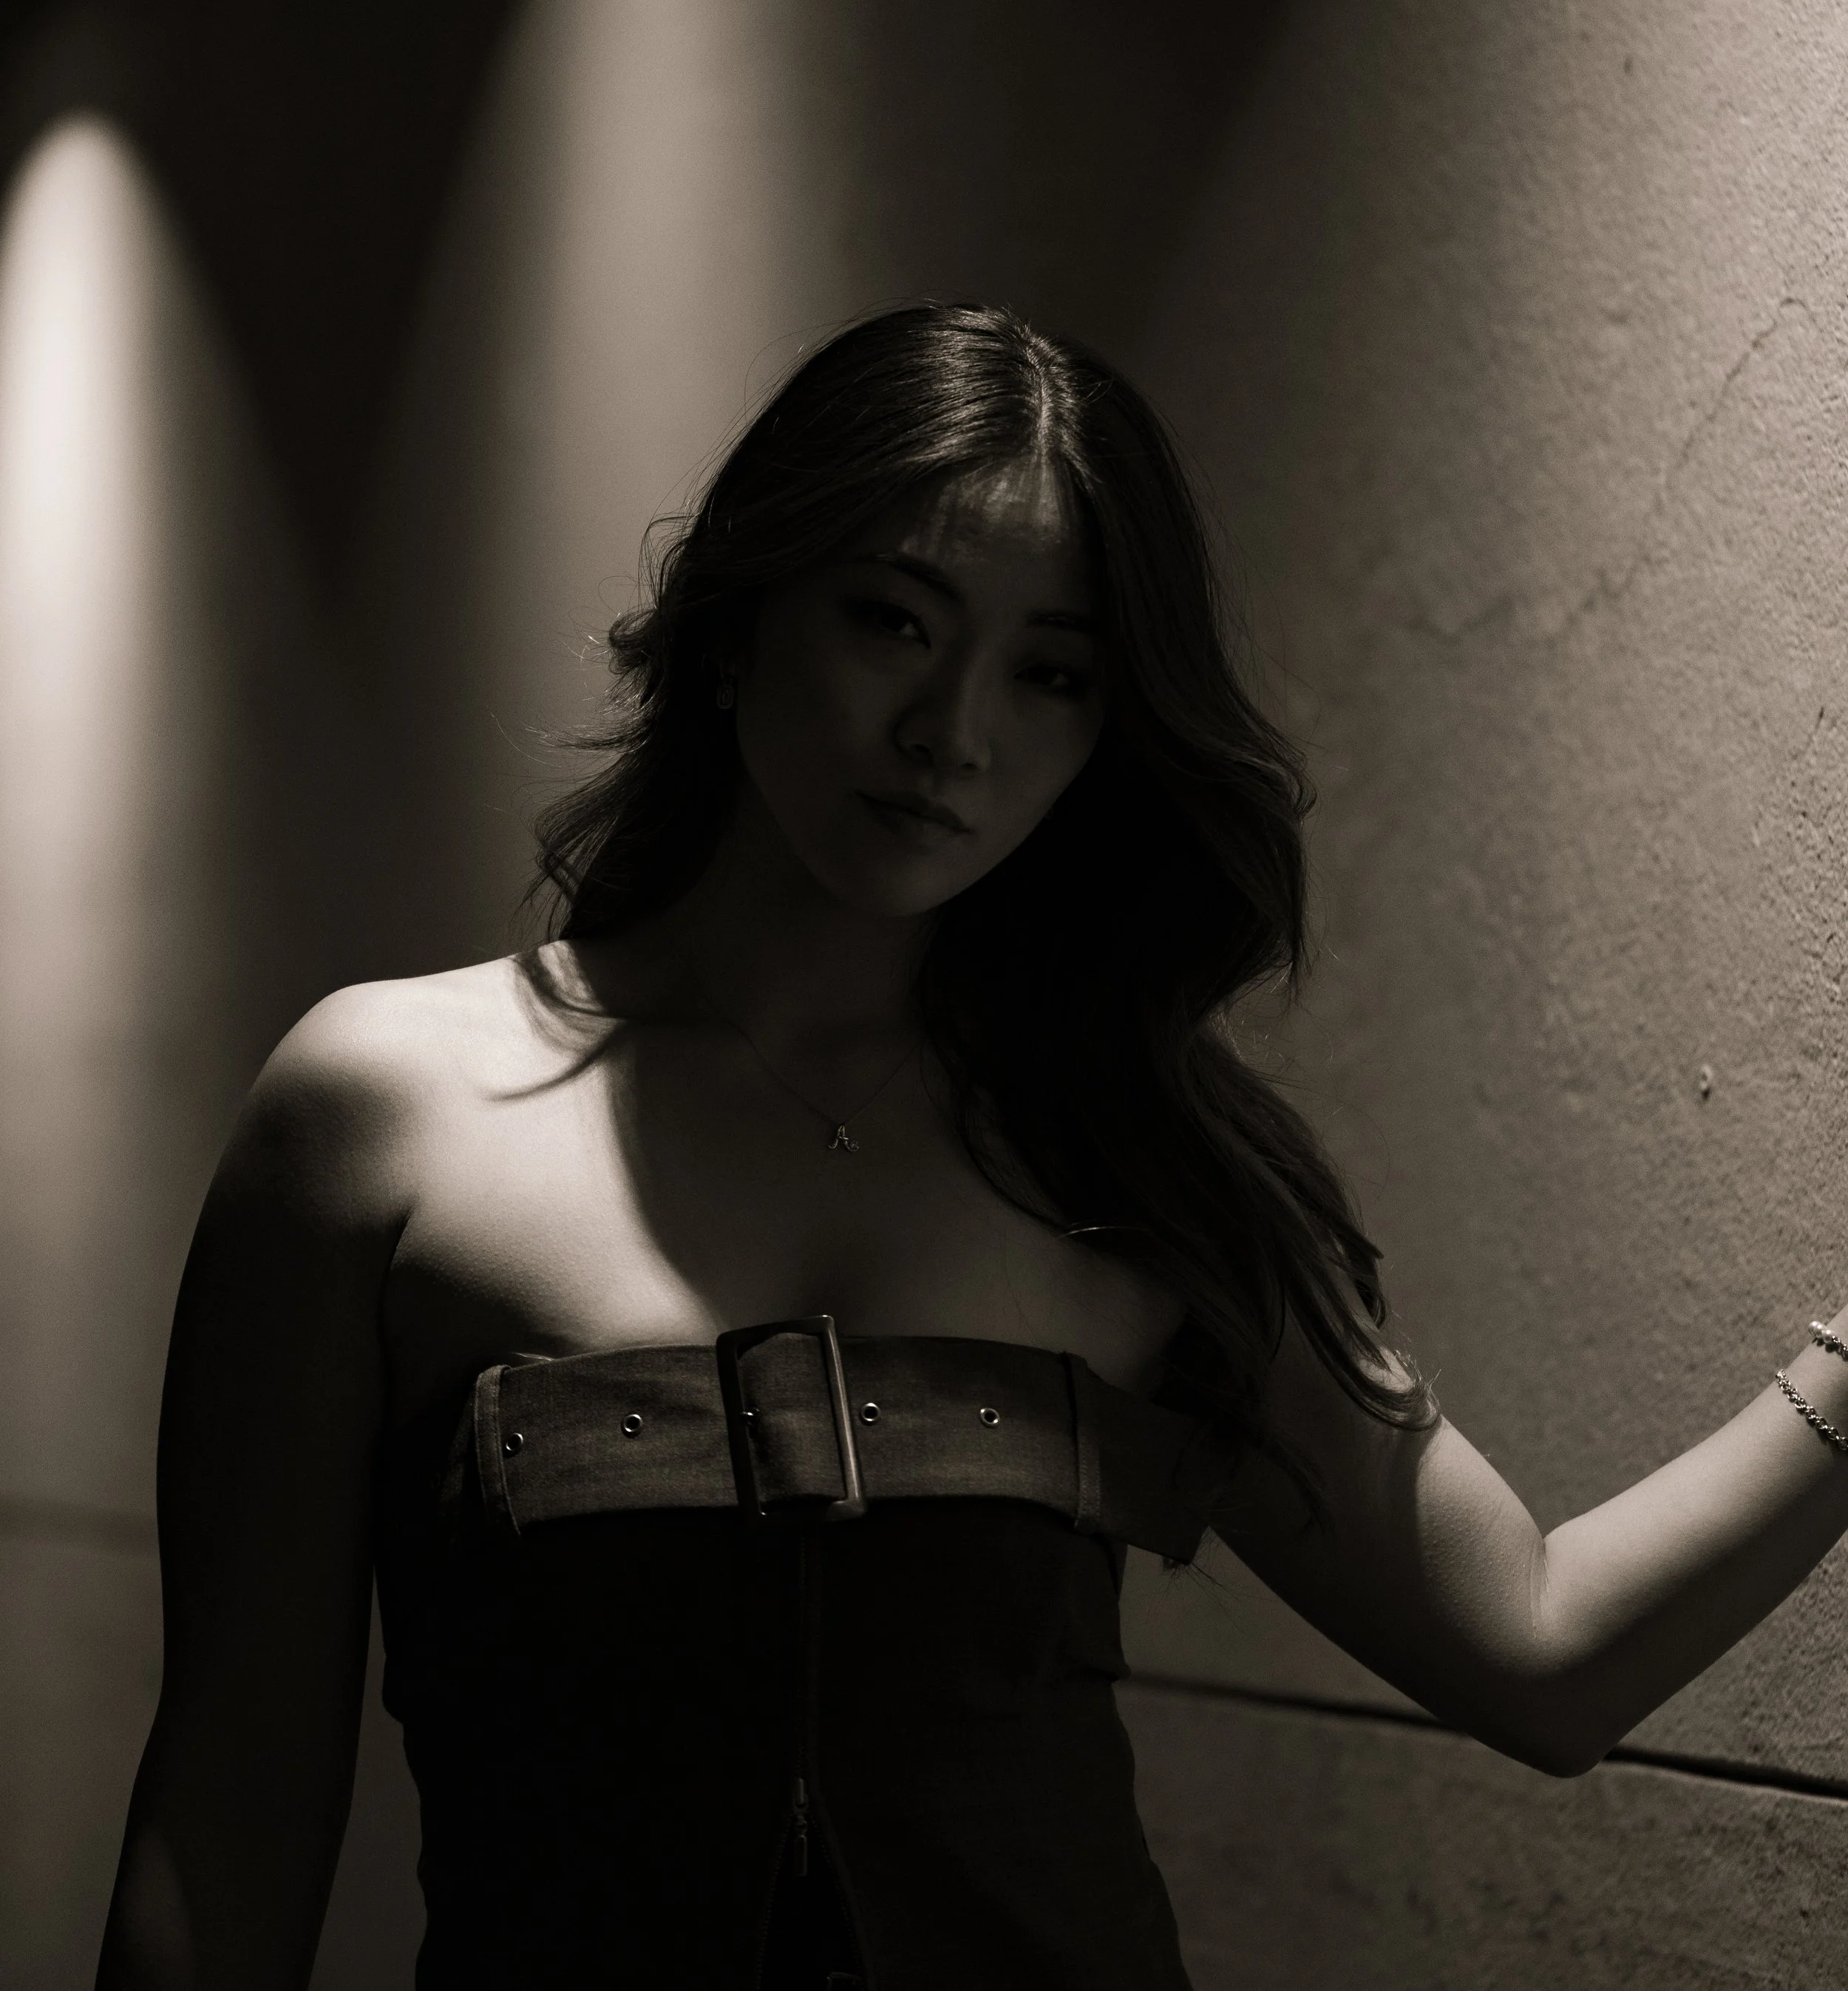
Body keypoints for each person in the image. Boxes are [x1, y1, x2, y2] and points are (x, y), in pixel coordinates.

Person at [98, 300, 1848, 1991]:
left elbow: (1540, 1655)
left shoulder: (1132, 1160)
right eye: (892, 620)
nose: (954, 732)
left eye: (1052, 671)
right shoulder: (381, 1110)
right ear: (737, 621)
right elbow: (227, 1821)